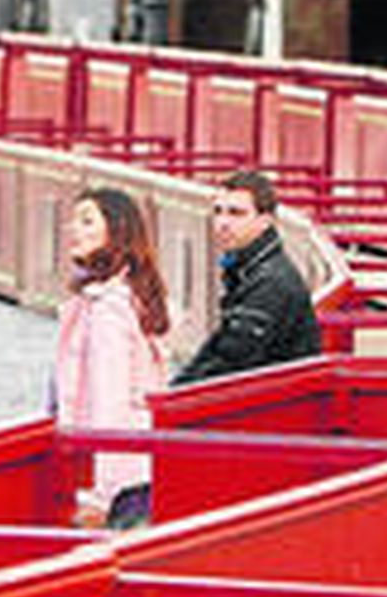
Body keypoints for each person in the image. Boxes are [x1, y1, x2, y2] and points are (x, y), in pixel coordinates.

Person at [54, 187, 169, 530]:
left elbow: (109, 401)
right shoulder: (128, 297)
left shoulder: (108, 309)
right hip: (138, 466)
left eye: (87, 220)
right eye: (74, 220)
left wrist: (99, 493)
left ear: (116, 231)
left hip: (117, 478)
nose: (73, 229)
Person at [173, 170, 321, 386]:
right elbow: (219, 347)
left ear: (266, 221)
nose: (223, 222)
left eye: (236, 213)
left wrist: (175, 392)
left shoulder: (271, 282)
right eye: (218, 212)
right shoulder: (251, 268)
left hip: (279, 401)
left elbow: (232, 360)